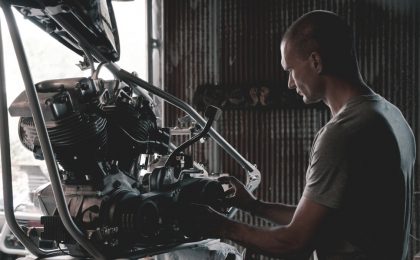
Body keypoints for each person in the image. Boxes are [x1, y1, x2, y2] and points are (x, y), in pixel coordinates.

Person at [187, 10, 416, 260]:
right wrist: (253, 206)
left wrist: (218, 225)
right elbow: (328, 222)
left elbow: (294, 243)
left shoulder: (342, 133)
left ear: (316, 62)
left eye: (290, 70)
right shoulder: (392, 116)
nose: (289, 83)